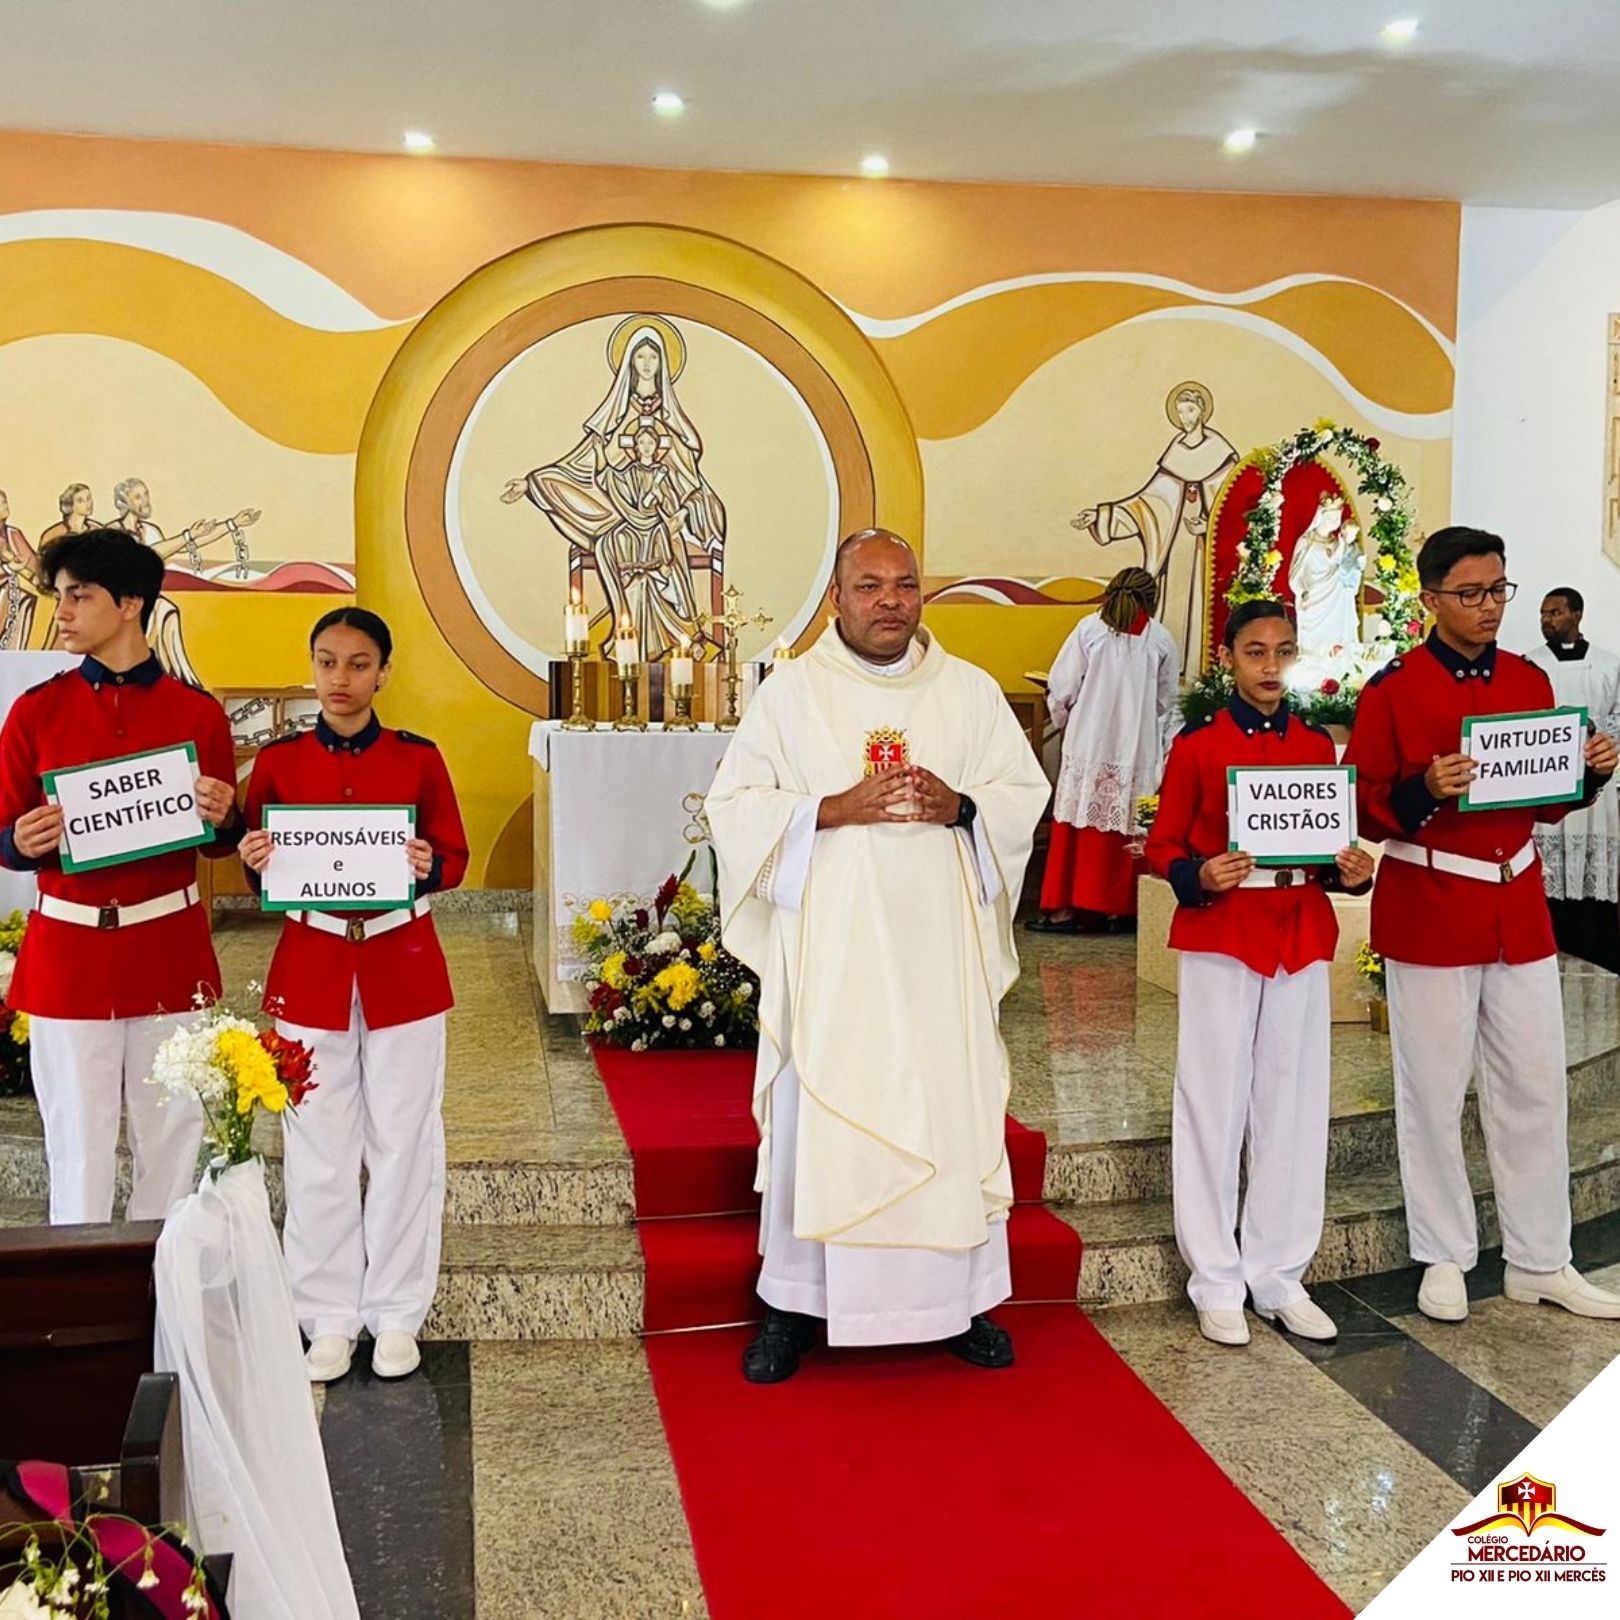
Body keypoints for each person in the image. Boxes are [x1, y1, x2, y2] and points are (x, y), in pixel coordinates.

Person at [707, 528, 1050, 1382]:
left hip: (939, 959)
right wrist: (832, 807)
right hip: (834, 957)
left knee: (945, 1107)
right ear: (837, 599)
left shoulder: (968, 693)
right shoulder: (792, 696)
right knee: (822, 1116)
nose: (890, 600)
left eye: (904, 584)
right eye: (870, 586)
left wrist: (964, 805)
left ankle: (957, 1301)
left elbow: (1021, 794)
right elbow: (736, 804)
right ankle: (794, 1302)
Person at [1346, 527, 1620, 1322]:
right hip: (1432, 904)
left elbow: (1541, 798)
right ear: (1429, 600)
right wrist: (1426, 788)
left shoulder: (1531, 683)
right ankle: (1443, 1254)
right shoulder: (1392, 691)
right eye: (1471, 593)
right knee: (1432, 1091)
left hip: (1518, 908)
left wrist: (1586, 778)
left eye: (1500, 589)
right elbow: (1360, 803)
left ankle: (1541, 1258)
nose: (1491, 606)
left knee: (1535, 1087)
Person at [240, 607, 469, 1383]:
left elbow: (455, 858)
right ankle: (328, 1315)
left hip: (403, 963)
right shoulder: (277, 762)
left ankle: (398, 1311)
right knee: (316, 1146)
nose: (342, 679)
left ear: (384, 672)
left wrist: (424, 860)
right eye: (329, 662)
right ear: (312, 667)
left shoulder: (419, 759)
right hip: (311, 965)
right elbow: (256, 860)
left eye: (359, 663)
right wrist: (254, 854)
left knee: (405, 1141)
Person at [1145, 600, 1373, 1346]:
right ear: (1229, 659)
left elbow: (1326, 846)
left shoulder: (1315, 744)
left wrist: (1351, 870)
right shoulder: (1199, 746)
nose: (1270, 667)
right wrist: (1197, 873)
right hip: (1225, 931)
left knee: (1295, 1101)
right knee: (1214, 1100)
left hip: (1299, 930)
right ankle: (1214, 1276)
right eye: (1255, 652)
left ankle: (1278, 1272)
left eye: (1282, 652)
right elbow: (1162, 846)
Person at [0, 530, 242, 1223]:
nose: (64, 610)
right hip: (69, 956)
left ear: (131, 603)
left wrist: (225, 816)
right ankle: (80, 1312)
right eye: (61, 595)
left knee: (172, 1140)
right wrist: (18, 840)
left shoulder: (197, 715)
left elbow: (222, 840)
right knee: (75, 1145)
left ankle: (163, 1306)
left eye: (81, 595)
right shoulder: (35, 711)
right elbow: (4, 833)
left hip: (166, 949)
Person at [1031, 567, 1179, 933]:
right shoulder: (1160, 639)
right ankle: (1121, 911)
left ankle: (1066, 911)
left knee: (1078, 822)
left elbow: (1062, 687)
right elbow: (1166, 702)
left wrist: (1067, 723)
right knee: (1128, 826)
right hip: (1137, 748)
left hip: (1089, 742)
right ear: (1152, 598)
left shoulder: (1090, 629)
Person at [1072, 382, 1238, 672]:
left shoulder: (1221, 454)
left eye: (1190, 410)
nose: (1185, 417)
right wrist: (1102, 517)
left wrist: (1211, 526)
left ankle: (1203, 674)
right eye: (1180, 411)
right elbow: (1148, 505)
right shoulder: (1175, 454)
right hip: (1175, 553)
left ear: (1202, 411)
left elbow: (1235, 508)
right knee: (1173, 609)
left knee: (1204, 612)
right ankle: (1174, 673)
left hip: (1205, 555)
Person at [1525, 586, 1620, 972]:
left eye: (1555, 613)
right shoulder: (1529, 665)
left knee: (1595, 891)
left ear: (1577, 614)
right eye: (1543, 614)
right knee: (1550, 889)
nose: (1547, 620)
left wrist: (1598, 742)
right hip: (1548, 786)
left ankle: (1600, 960)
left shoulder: (1608, 664)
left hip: (1596, 785)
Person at [0, 489, 44, 651]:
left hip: (24, 586)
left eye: (5, 501)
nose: (5, 505)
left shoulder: (14, 533)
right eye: (1, 502)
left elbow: (33, 563)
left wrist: (38, 578)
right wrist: (9, 568)